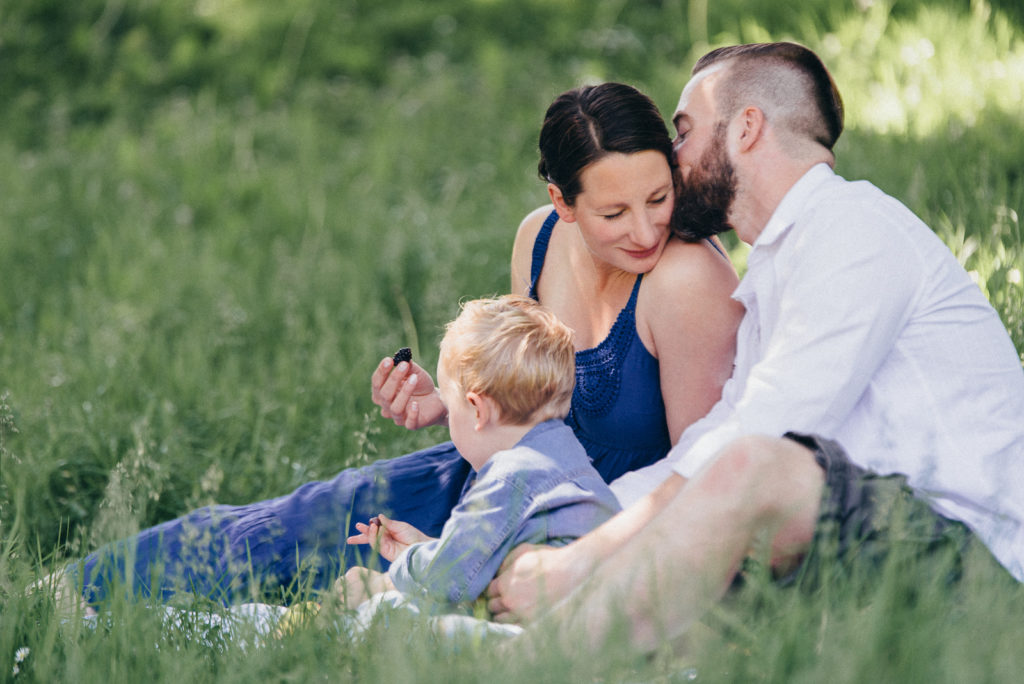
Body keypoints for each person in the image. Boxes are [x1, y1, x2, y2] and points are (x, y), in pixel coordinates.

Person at [69, 82, 742, 606]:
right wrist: (452, 401)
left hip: (581, 522)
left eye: (659, 197)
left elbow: (697, 477)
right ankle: (67, 597)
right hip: (493, 477)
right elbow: (526, 392)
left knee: (377, 582)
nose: (646, 229)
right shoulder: (540, 238)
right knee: (307, 521)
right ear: (563, 202)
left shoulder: (685, 281)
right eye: (613, 212)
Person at [486, 42, 1024, 650]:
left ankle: (529, 663)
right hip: (869, 538)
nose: (673, 156)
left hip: (981, 564)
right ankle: (493, 631)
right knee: (701, 563)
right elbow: (705, 447)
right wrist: (567, 533)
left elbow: (753, 447)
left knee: (751, 467)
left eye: (684, 132)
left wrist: (580, 561)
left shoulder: (853, 229)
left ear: (745, 129)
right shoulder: (778, 265)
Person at [336, 294, 620, 609]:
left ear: (477, 410)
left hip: (555, 622)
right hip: (607, 615)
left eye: (452, 410)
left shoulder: (509, 477)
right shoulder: (574, 464)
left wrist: (385, 578)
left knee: (389, 614)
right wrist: (429, 547)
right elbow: (480, 566)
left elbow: (449, 581)